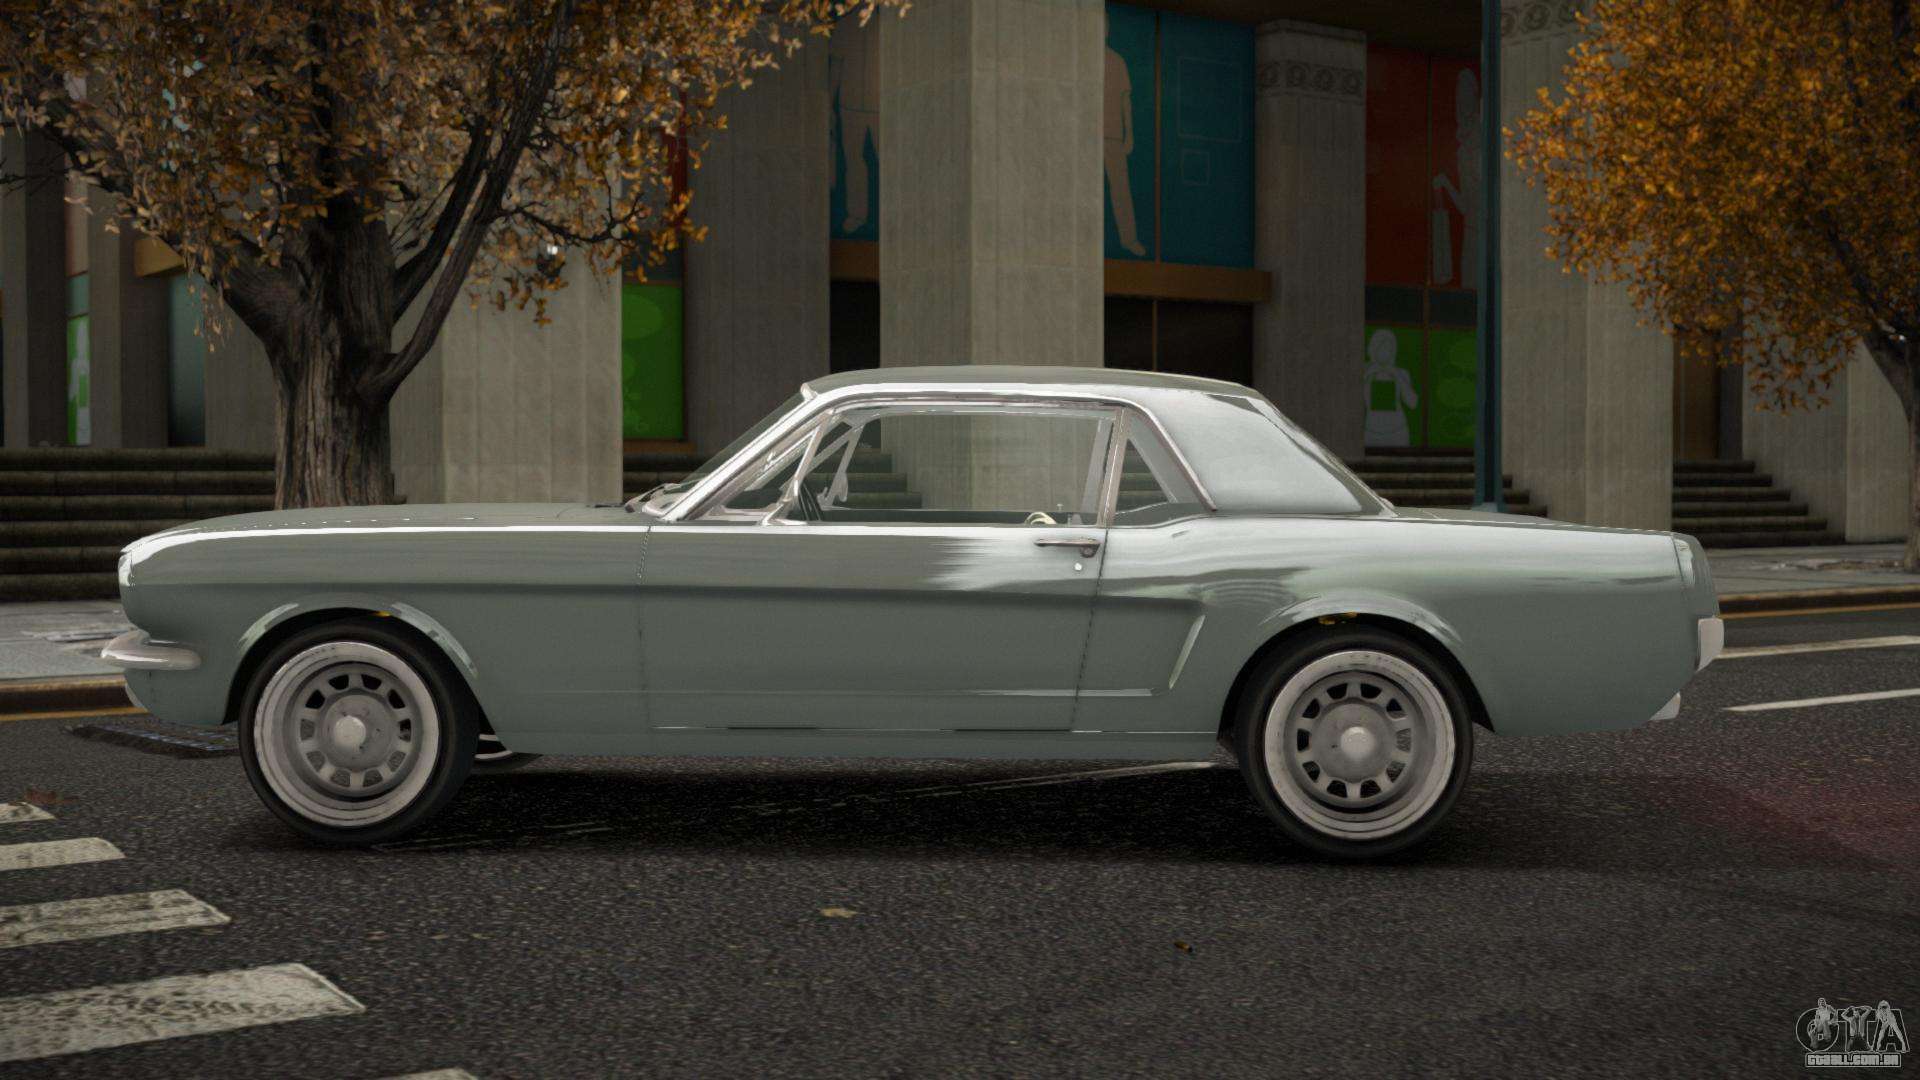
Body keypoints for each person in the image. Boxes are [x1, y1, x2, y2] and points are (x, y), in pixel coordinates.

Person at [1104, 46, 1147, 257]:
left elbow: (1125, 101)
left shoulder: (1117, 61)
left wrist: (1129, 135)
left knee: (1121, 190)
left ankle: (1129, 239)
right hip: (1088, 138)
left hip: (1114, 137)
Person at [1362, 329, 1418, 447]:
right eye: (1381, 347)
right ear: (1373, 349)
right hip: (1371, 431)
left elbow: (1412, 403)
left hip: (1398, 431)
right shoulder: (1365, 372)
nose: (1385, 352)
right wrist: (1367, 375)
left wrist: (1397, 375)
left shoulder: (1401, 373)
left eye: (1389, 348)